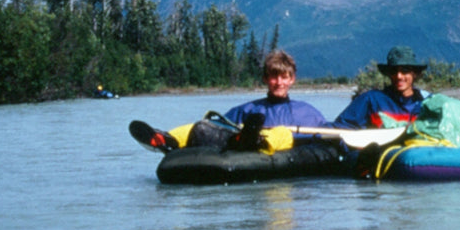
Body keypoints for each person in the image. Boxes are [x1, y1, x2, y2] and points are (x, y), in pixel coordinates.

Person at [335, 45, 460, 177]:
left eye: (405, 71)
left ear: (415, 74)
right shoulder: (371, 99)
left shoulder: (428, 101)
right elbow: (340, 127)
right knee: (367, 152)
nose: (399, 76)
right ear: (388, 74)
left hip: (422, 144)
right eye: (394, 71)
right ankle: (364, 165)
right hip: (387, 147)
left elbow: (449, 127)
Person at [130, 49, 329, 152]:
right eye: (273, 77)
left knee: (282, 133)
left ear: (292, 79)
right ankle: (166, 139)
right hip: (241, 139)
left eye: (284, 77)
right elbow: (216, 125)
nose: (278, 82)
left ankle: (256, 141)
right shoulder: (248, 109)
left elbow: (327, 135)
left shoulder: (307, 112)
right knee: (201, 125)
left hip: (278, 146)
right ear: (265, 79)